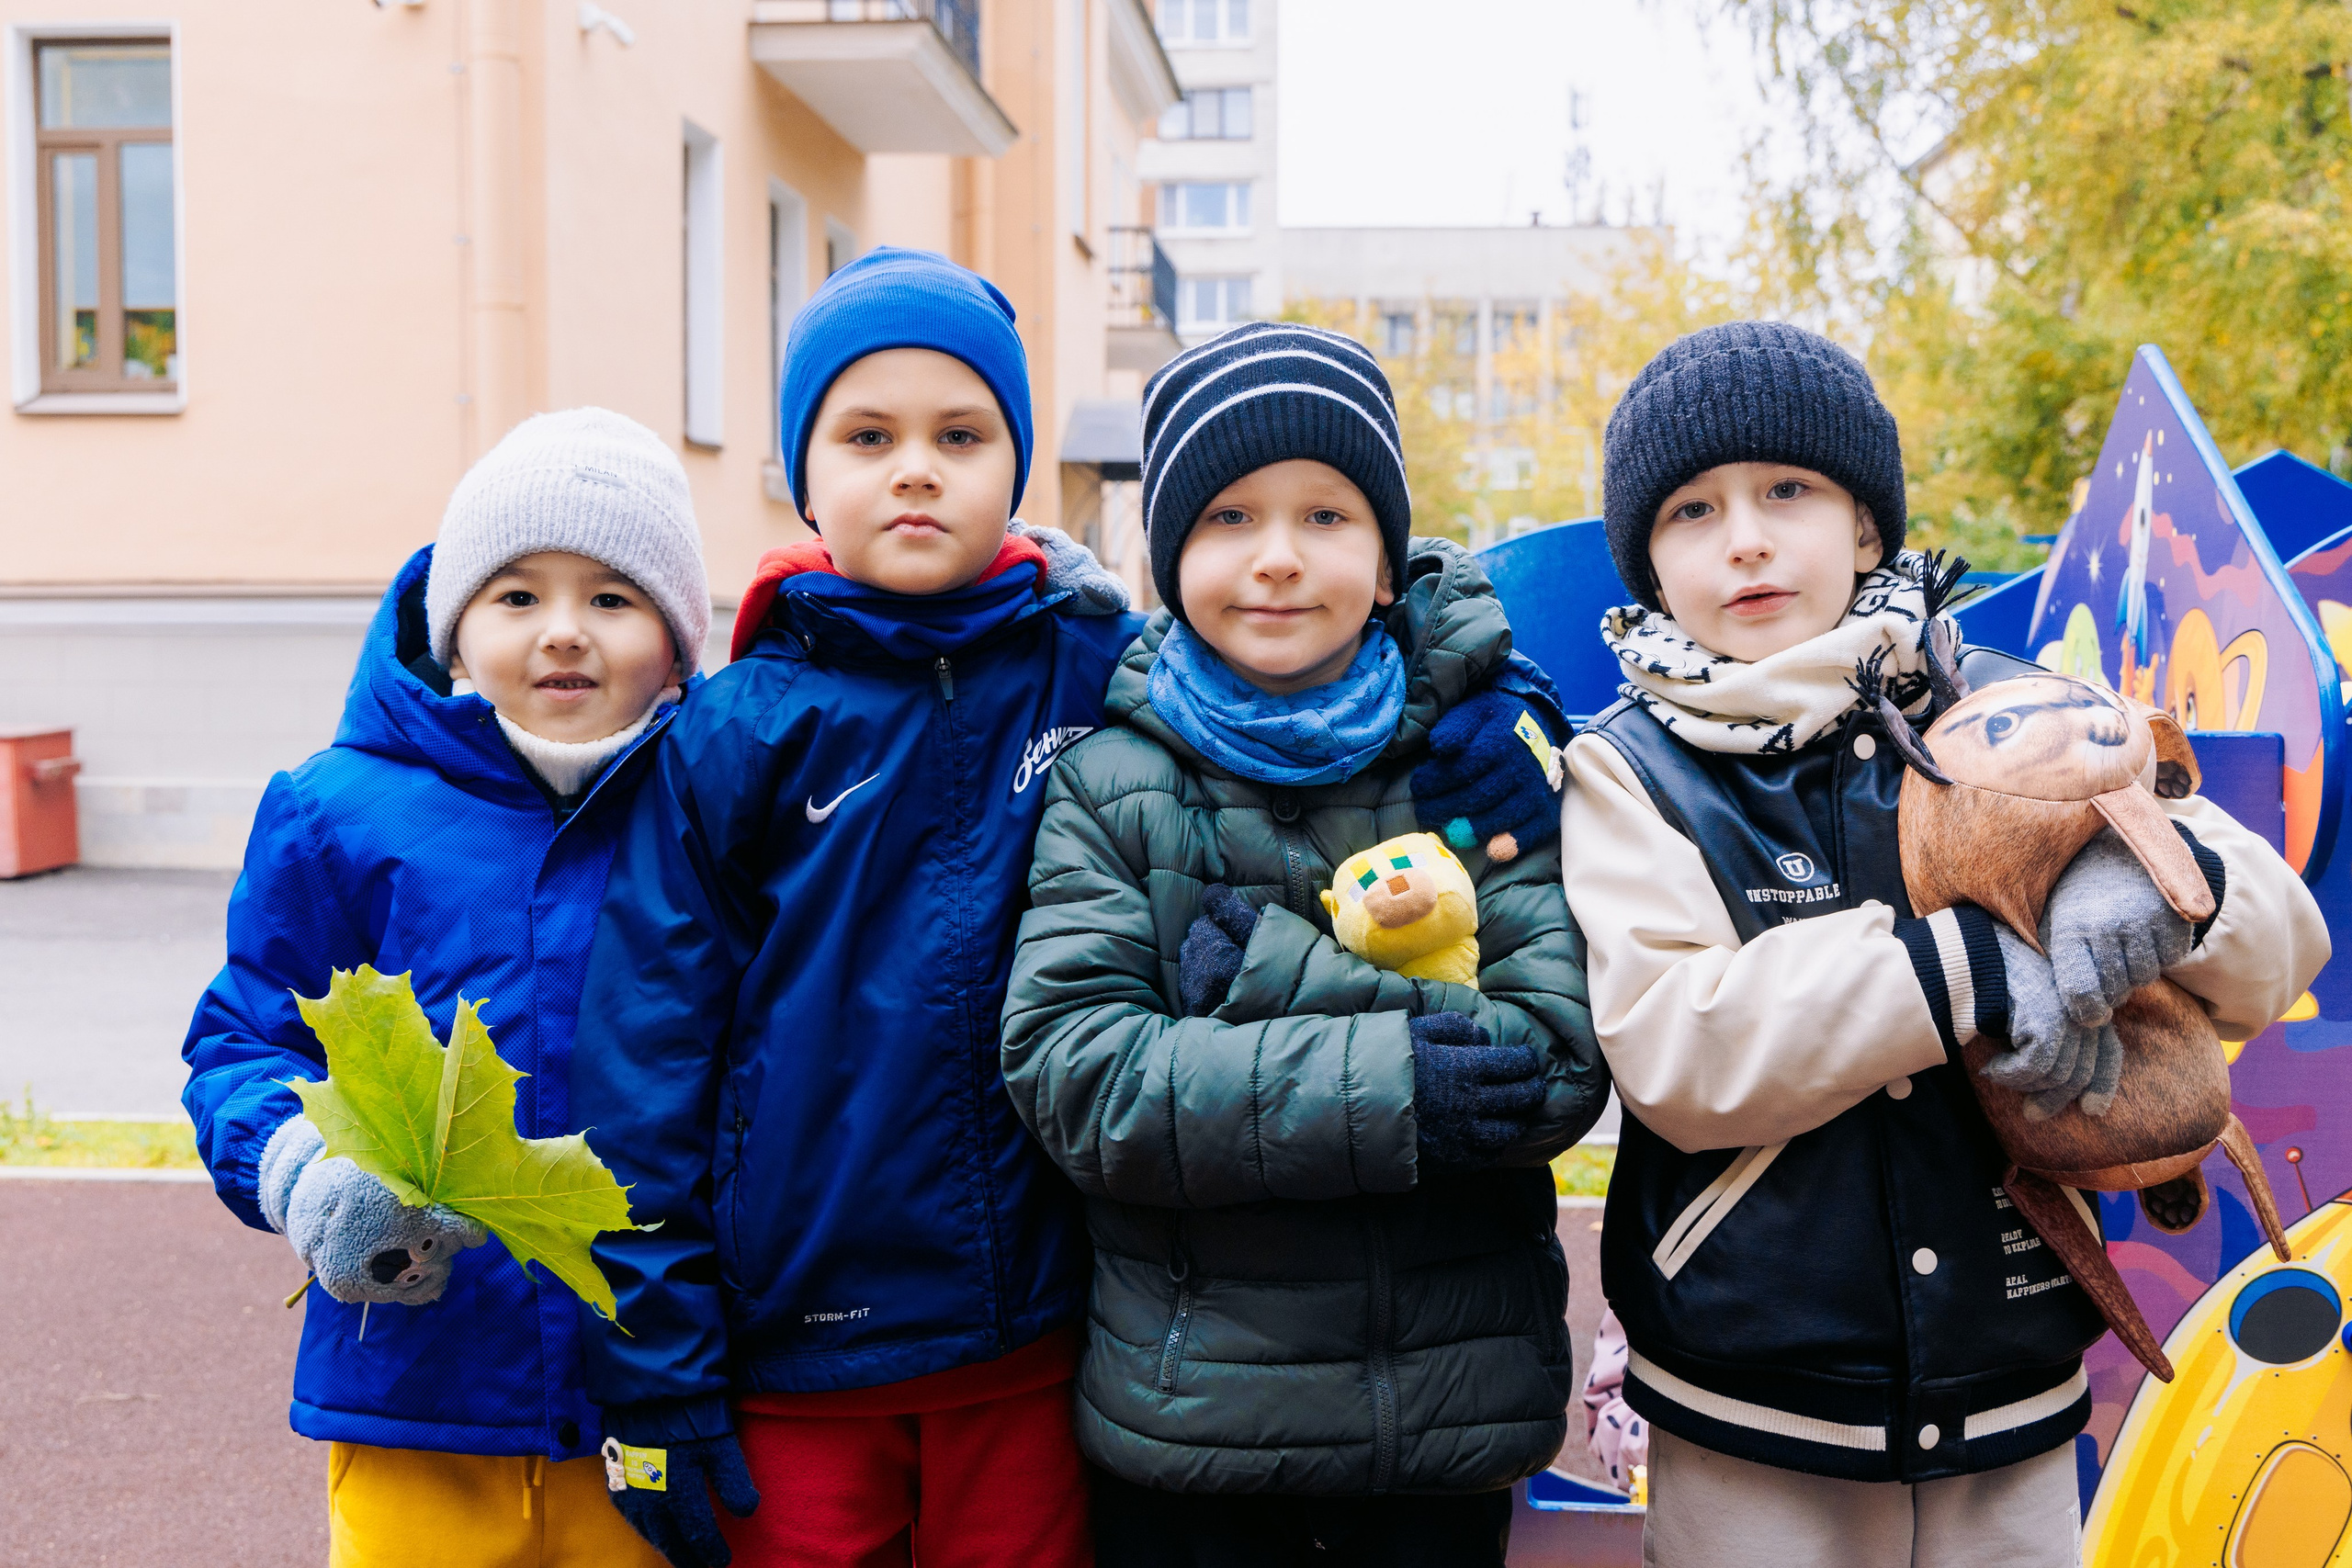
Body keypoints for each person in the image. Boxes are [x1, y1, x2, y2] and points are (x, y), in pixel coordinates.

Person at [1562, 321, 2331, 1566]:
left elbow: (2277, 949)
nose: (1746, 535)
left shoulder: (2012, 710)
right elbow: (1681, 1050)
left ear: (1867, 525)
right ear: (1649, 563)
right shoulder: (1632, 770)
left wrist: (2147, 874)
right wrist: (1967, 963)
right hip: (1754, 1394)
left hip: (2010, 1363)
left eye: (1788, 490)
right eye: (1691, 512)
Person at [568, 248, 1148, 1568]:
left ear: (1018, 460)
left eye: (961, 432)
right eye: (867, 434)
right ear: (804, 469)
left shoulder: (1101, 673)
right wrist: (653, 1359)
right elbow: (646, 1057)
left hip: (1038, 1339)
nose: (916, 468)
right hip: (801, 1352)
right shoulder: (735, 730)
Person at [1000, 321, 1607, 1568]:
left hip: (1437, 1430)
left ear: (1389, 561)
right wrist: (1404, 1091)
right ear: (1170, 561)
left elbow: (1547, 1060)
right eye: (1227, 517)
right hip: (1191, 1438)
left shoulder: (1472, 762)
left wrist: (1275, 977)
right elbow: (1082, 1074)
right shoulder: (1114, 783)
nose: (1276, 558)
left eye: (1326, 515)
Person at [182, 407, 709, 1567]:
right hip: (415, 1380)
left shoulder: (713, 805)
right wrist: (305, 1175)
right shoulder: (338, 810)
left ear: (676, 639)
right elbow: (241, 1044)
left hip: (650, 1392)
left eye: (612, 599)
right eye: (517, 596)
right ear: (454, 629)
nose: (564, 632)